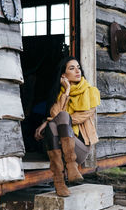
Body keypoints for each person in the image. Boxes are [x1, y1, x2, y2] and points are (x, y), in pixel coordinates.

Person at [34, 57, 100, 197]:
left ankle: (71, 165)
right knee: (55, 121)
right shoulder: (60, 94)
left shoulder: (91, 92)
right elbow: (55, 114)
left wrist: (46, 122)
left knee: (58, 119)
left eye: (78, 67)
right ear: (63, 75)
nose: (77, 71)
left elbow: (78, 117)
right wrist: (67, 91)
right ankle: (60, 181)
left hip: (79, 148)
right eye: (72, 68)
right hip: (58, 147)